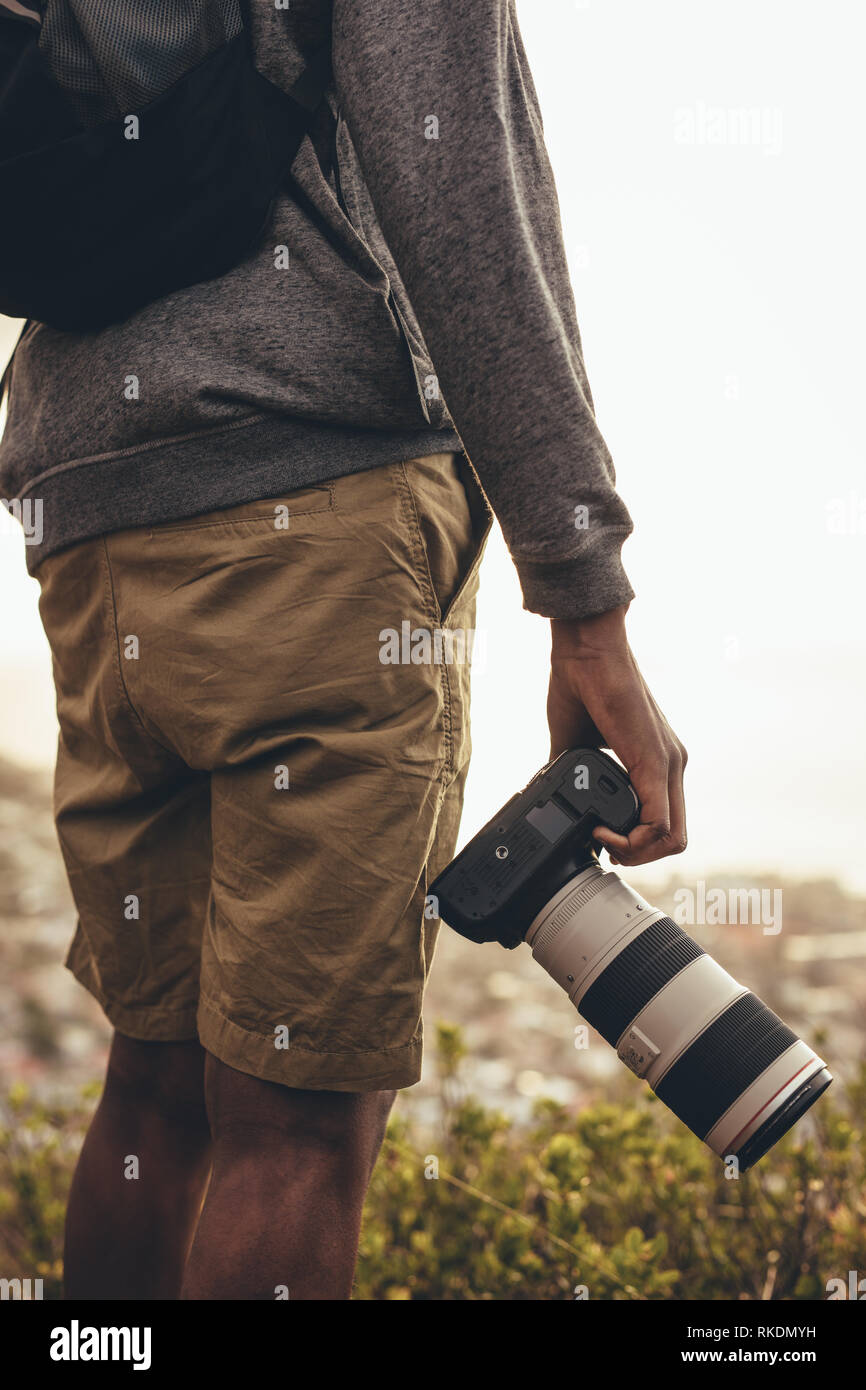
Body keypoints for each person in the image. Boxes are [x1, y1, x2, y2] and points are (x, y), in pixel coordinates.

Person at [0, 0, 687, 1300]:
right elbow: (462, 201)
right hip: (312, 512)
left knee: (153, 1088)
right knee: (296, 1120)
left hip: (88, 520)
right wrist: (583, 596)